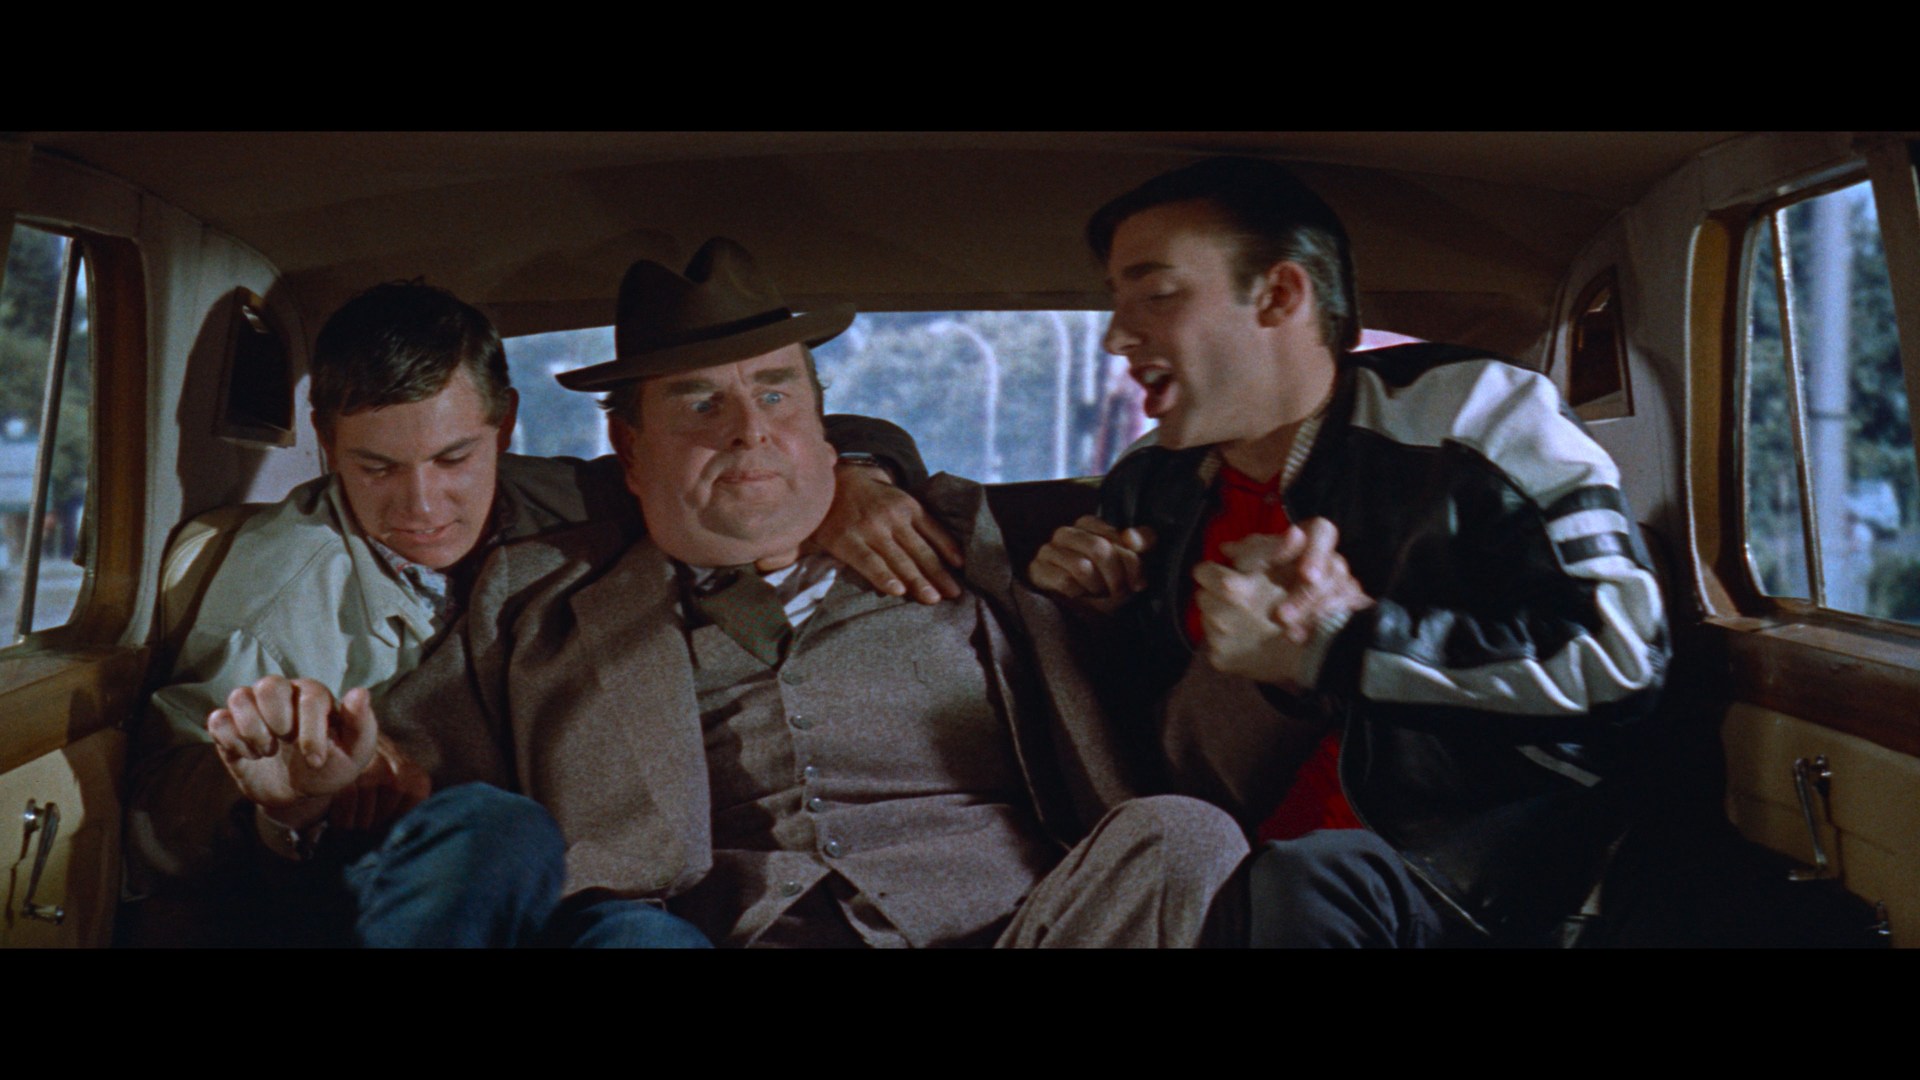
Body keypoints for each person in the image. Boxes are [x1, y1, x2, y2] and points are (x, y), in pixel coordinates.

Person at [255, 238, 1248, 947]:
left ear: (823, 421)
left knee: (1182, 838)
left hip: (1012, 927)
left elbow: (1157, 699)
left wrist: (1124, 606)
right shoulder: (537, 593)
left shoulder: (979, 538)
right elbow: (404, 766)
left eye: (776, 393)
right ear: (628, 449)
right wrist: (319, 788)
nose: (749, 429)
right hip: (706, 934)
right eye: (700, 403)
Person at [126, 279, 960, 946]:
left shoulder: (578, 503)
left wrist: (859, 474)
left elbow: (743, 462)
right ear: (325, 439)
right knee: (495, 829)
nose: (423, 505)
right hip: (381, 873)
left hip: (565, 883)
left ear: (506, 426)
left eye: (455, 457)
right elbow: (163, 811)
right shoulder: (274, 589)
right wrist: (285, 798)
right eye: (377, 468)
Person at [1029, 157, 1669, 946]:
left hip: (1462, 884)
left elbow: (1622, 656)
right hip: (1212, 868)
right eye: (1115, 301)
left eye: (1157, 294)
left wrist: (1342, 646)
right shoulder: (1147, 483)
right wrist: (1092, 616)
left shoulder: (1477, 418)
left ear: (1279, 295)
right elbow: (1145, 744)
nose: (1117, 336)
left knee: (1304, 883)